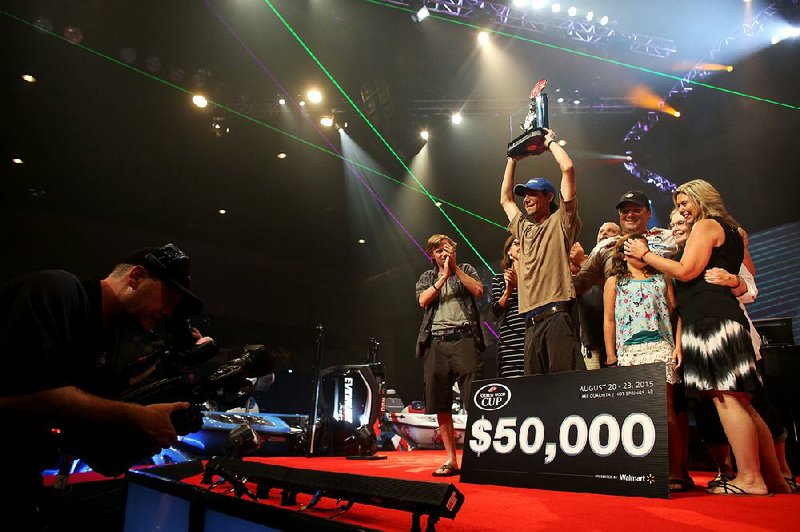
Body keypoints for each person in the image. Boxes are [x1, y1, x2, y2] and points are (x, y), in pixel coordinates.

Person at [0, 243, 210, 527]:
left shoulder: (105, 342)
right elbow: (21, 391)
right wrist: (136, 416)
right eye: (168, 299)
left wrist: (174, 373)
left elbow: (102, 451)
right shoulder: (56, 290)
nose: (169, 312)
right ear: (135, 278)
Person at [624, 179, 789, 495]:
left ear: (703, 199)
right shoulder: (730, 232)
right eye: (678, 205)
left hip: (713, 323)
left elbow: (686, 271)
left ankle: (750, 479)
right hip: (722, 319)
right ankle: (774, 479)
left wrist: (645, 254)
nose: (681, 210)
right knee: (743, 403)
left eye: (685, 203)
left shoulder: (706, 226)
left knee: (726, 397)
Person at [670, 210, 796, 493]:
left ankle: (766, 475)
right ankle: (768, 477)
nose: (677, 226)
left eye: (682, 220)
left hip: (724, 329)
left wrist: (735, 282)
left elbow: (749, 286)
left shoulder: (719, 244)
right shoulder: (685, 249)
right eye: (673, 223)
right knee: (738, 403)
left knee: (741, 400)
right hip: (707, 329)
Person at [602, 234, 687, 490]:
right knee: (634, 412)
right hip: (629, 351)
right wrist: (611, 355)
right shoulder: (614, 282)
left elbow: (678, 313)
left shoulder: (663, 277)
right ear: (622, 253)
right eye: (629, 248)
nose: (636, 252)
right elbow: (609, 320)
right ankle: (642, 471)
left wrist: (678, 345)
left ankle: (675, 473)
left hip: (661, 347)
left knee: (667, 410)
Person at [499, 128, 585, 375]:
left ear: (549, 197)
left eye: (532, 194)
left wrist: (549, 143)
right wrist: (512, 159)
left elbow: (568, 169)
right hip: (531, 323)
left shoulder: (562, 221)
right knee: (536, 397)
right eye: (524, 195)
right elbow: (505, 200)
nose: (525, 199)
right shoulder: (523, 230)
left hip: (558, 316)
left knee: (564, 389)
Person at [415, 234, 486, 477]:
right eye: (439, 250)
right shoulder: (427, 276)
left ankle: (478, 457)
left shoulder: (465, 269)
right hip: (436, 342)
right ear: (431, 255)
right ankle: (450, 459)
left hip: (464, 338)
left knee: (474, 400)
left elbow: (478, 290)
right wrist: (443, 277)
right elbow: (423, 300)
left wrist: (454, 270)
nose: (444, 254)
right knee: (440, 403)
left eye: (448, 249)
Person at [571, 222, 622, 369]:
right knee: (593, 390)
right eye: (601, 231)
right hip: (591, 346)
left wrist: (582, 262)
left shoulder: (622, 264)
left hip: (616, 342)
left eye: (611, 231)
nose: (604, 234)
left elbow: (613, 287)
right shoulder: (584, 265)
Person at [491, 236, 525, 377]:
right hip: (510, 337)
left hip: (531, 332)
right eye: (517, 243)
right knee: (510, 382)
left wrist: (520, 285)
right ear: (509, 251)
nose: (521, 246)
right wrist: (508, 291)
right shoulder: (498, 279)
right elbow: (496, 312)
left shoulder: (533, 278)